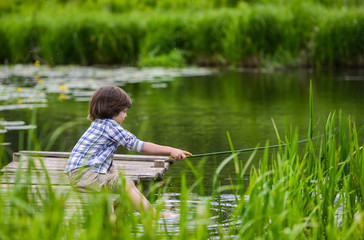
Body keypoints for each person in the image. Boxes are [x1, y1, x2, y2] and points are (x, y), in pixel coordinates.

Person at [64, 85, 192, 217]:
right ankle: (153, 214)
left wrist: (115, 175)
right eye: (124, 111)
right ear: (113, 110)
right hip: (85, 175)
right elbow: (140, 146)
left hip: (79, 175)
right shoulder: (109, 125)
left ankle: (151, 212)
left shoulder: (99, 124)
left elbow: (104, 160)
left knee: (127, 183)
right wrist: (171, 150)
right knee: (125, 184)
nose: (126, 115)